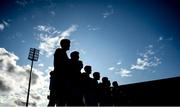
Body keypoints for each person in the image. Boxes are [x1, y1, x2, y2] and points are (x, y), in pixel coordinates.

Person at [48, 39, 71, 106]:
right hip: (58, 79)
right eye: (68, 44)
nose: (69, 45)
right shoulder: (59, 51)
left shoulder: (63, 53)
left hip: (61, 79)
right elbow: (58, 65)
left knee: (60, 101)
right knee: (53, 100)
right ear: (64, 44)